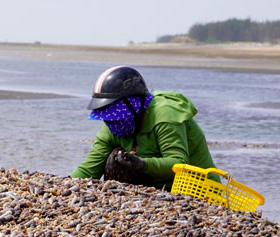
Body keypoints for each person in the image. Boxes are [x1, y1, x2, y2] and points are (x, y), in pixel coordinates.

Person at [70, 66, 217, 189]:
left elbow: (179, 164)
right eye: (108, 115)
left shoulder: (164, 115)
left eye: (116, 113)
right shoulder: (112, 124)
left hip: (197, 188)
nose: (112, 120)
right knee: (114, 159)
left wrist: (141, 164)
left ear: (134, 104)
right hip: (157, 186)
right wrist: (64, 184)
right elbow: (89, 168)